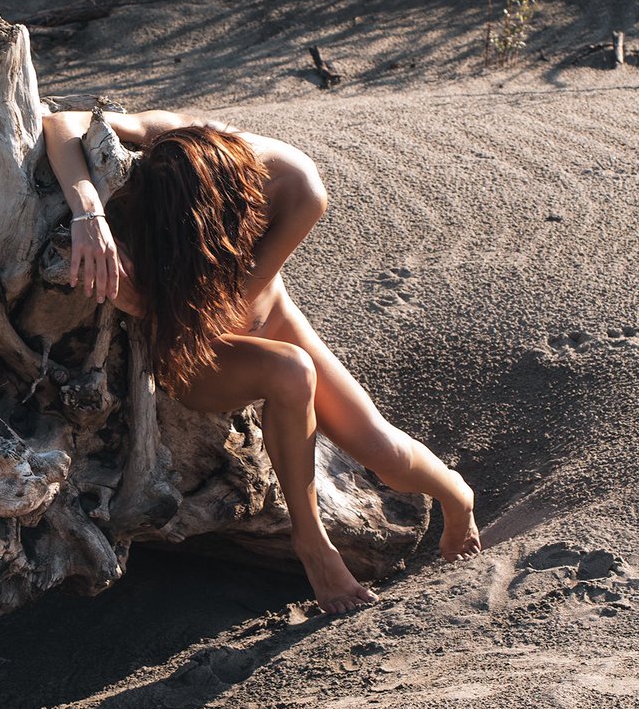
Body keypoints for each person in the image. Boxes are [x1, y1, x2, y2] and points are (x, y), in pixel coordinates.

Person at [42, 108, 481, 614]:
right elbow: (62, 123)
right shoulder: (170, 139)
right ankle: (312, 542)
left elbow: (229, 310)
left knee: (385, 453)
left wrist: (136, 301)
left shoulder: (298, 186)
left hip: (242, 318)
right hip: (200, 352)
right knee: (290, 370)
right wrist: (89, 213)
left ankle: (457, 494)